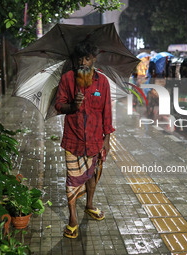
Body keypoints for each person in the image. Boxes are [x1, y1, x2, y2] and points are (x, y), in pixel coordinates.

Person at [55, 40, 115, 239]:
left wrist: (107, 138)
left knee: (92, 175)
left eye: (87, 58)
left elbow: (107, 111)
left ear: (94, 59)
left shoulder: (103, 82)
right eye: (79, 58)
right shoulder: (67, 79)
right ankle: (73, 219)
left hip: (96, 140)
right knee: (72, 180)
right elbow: (59, 105)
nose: (83, 62)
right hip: (73, 140)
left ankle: (89, 205)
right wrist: (72, 105)